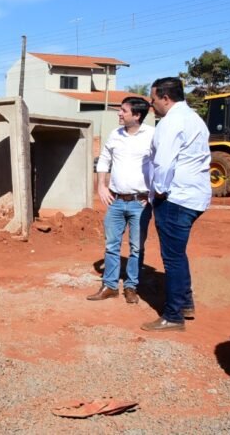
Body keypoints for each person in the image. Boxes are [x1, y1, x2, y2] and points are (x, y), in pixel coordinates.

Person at [141, 77, 211, 332]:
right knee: (178, 255)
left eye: (153, 99)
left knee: (172, 259)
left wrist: (158, 192)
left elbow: (164, 162)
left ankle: (173, 316)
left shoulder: (171, 122)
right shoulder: (195, 119)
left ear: (165, 99)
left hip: (176, 199)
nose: (152, 105)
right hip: (194, 197)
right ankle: (185, 304)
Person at [88, 97, 154, 304]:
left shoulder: (153, 135)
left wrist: (152, 194)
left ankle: (131, 286)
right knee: (111, 245)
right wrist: (101, 186)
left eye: (123, 111)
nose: (119, 113)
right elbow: (104, 160)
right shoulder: (115, 134)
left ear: (137, 115)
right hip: (116, 201)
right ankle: (109, 286)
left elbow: (163, 164)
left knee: (136, 247)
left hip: (140, 203)